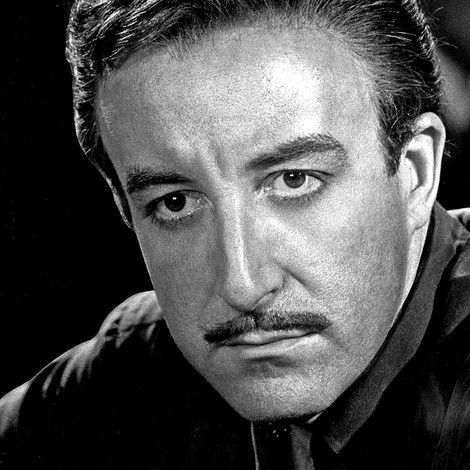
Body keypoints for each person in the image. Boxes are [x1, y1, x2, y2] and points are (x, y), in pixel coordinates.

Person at [1, 0, 470, 468]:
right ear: (124, 205)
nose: (241, 285)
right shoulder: (134, 370)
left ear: (415, 171)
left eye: (294, 180)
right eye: (176, 202)